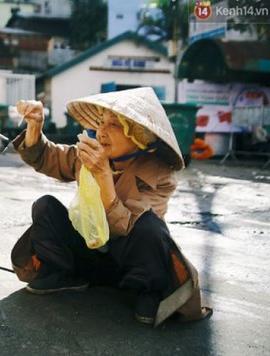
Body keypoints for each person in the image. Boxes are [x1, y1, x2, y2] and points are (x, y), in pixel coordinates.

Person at [11, 87, 212, 327]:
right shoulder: (89, 154)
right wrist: (35, 126)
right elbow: (48, 157)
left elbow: (128, 229)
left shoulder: (160, 174)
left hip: (128, 263)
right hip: (90, 250)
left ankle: (148, 293)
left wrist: (104, 175)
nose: (102, 132)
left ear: (139, 136)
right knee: (45, 206)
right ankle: (64, 274)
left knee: (151, 228)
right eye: (101, 123)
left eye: (114, 125)